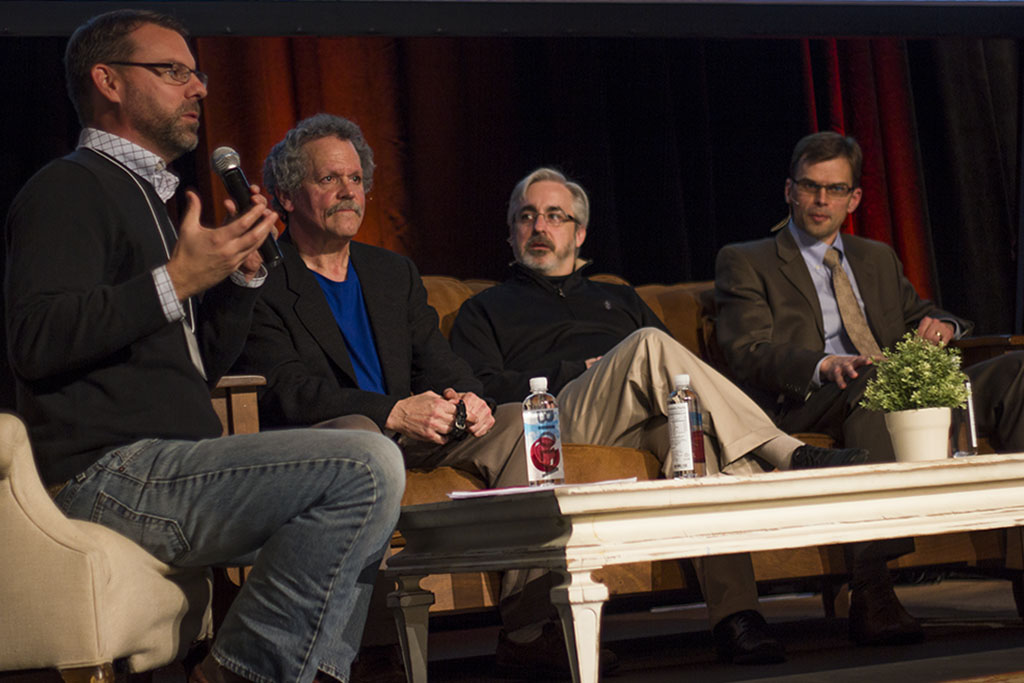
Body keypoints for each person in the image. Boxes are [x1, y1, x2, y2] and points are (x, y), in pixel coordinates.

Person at [4, 11, 405, 683]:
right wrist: (174, 281)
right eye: (173, 72)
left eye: (198, 73)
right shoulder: (67, 187)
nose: (198, 89)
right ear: (108, 81)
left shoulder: (155, 202)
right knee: (364, 465)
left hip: (173, 462)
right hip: (107, 474)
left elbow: (194, 370)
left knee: (362, 457)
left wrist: (241, 278)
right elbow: (35, 338)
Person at [448, 167, 870, 665]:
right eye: (527, 216)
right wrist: (575, 370)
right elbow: (479, 390)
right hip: (559, 418)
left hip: (635, 425)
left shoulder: (620, 299)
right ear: (512, 232)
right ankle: (784, 453)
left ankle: (737, 617)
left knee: (692, 438)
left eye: (555, 216)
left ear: (579, 233)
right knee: (648, 345)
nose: (540, 227)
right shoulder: (485, 308)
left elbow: (675, 374)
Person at [234, 114, 597, 678]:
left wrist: (471, 400)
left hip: (416, 436)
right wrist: (393, 412)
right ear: (286, 194)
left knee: (517, 424)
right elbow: (291, 392)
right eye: (329, 179)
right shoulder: (264, 279)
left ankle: (528, 628)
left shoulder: (391, 272)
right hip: (335, 440)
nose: (349, 191)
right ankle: (356, 653)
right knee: (359, 442)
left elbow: (443, 361)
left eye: (356, 179)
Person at [714, 131, 1024, 645]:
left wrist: (944, 325)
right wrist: (822, 363)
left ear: (854, 198)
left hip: (894, 387)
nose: (821, 201)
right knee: (871, 377)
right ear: (789, 190)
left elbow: (920, 313)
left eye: (835, 190)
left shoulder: (875, 256)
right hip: (810, 402)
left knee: (1016, 372)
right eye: (810, 187)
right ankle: (873, 586)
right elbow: (747, 351)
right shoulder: (747, 260)